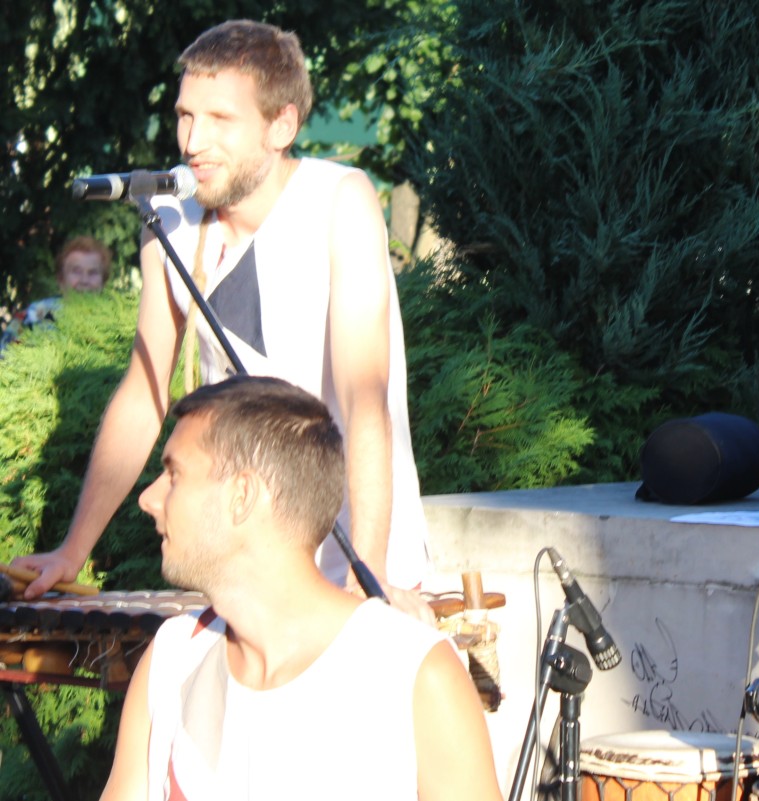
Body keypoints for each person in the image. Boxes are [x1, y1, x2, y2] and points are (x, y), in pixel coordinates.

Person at [14, 21, 431, 608]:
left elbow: (365, 395)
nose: (193, 141)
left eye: (219, 119)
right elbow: (143, 395)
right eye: (186, 116)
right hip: (241, 564)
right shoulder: (167, 219)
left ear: (281, 125)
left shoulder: (340, 200)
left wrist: (370, 572)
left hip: (357, 559)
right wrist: (71, 551)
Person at [99, 375, 502, 801]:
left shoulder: (414, 674)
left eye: (174, 474)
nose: (148, 498)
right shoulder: (172, 657)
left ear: (242, 495)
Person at [0, 235, 112, 356]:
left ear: (103, 281)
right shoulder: (30, 317)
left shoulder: (116, 323)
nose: (84, 280)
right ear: (61, 279)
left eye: (93, 273)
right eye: (76, 271)